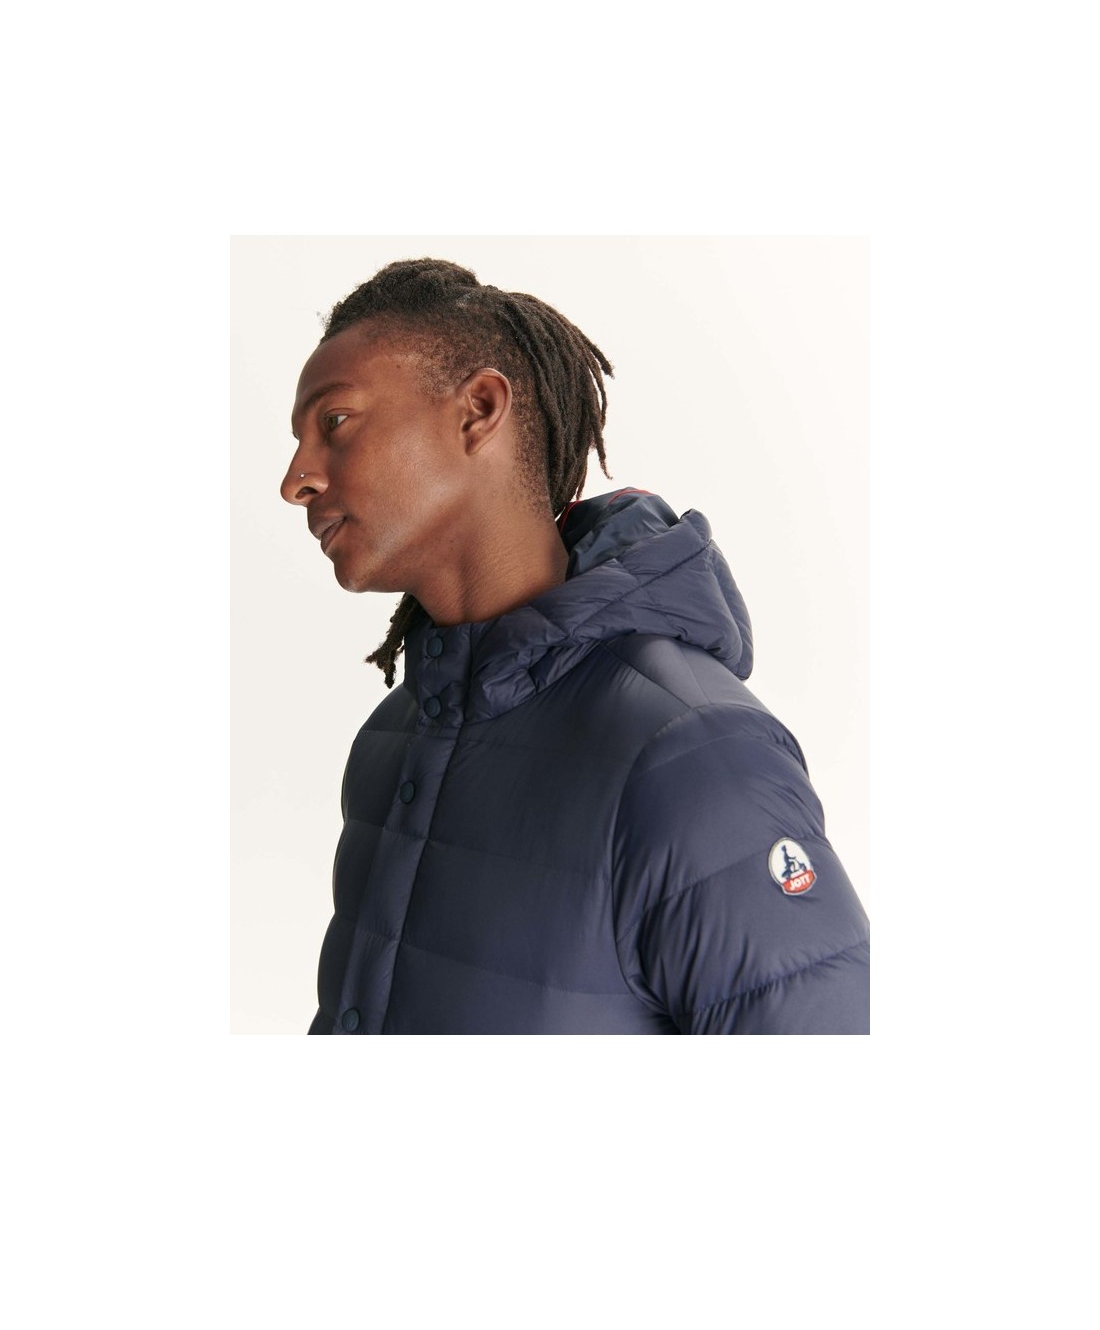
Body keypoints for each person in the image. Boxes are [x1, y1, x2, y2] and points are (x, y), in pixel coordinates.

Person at [280, 257, 870, 1034]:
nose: (295, 479)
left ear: (478, 411)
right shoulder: (392, 742)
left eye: (334, 423)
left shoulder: (691, 755)